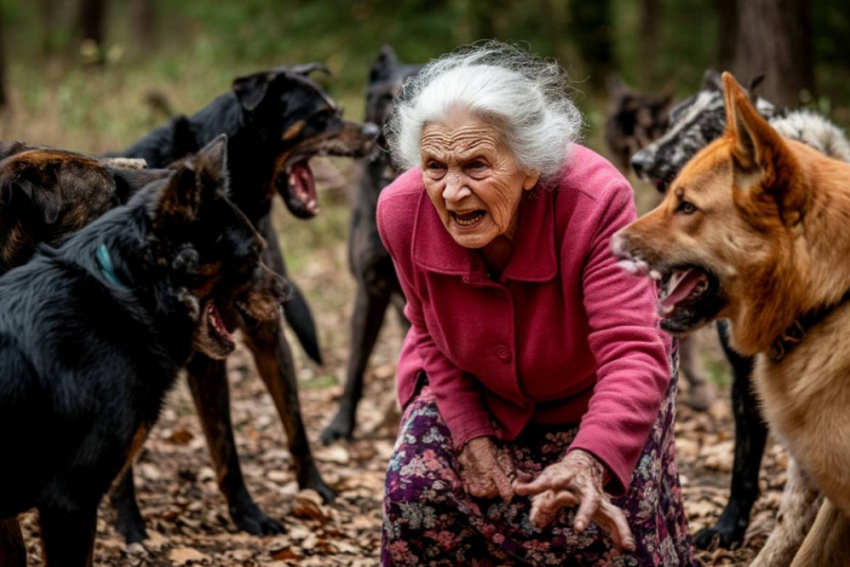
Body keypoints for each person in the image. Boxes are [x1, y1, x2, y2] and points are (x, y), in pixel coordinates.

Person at [377, 42, 698, 566]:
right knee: (416, 498)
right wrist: (469, 432)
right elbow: (428, 330)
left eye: (476, 165)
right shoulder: (402, 210)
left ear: (530, 166)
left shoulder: (595, 201)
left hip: (594, 387)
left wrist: (590, 457)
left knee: (599, 530)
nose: (453, 192)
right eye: (435, 166)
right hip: (466, 381)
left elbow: (633, 350)